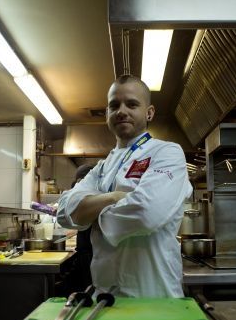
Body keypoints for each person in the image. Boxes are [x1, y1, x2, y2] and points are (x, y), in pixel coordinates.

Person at [57, 75, 193, 298]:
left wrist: (90, 216)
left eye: (131, 104)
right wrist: (114, 198)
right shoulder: (102, 167)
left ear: (149, 112)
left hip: (154, 295)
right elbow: (64, 212)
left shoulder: (167, 153)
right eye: (114, 105)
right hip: (105, 296)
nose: (121, 111)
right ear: (107, 114)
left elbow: (147, 213)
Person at [67, 164, 95, 291]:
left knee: (88, 285)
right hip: (88, 248)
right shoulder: (85, 191)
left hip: (88, 248)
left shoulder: (86, 192)